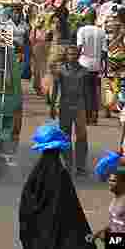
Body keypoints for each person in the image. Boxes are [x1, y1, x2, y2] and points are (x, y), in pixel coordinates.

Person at [19, 124, 94, 249]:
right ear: (59, 149)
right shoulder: (61, 174)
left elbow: (25, 209)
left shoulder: (35, 175)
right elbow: (73, 212)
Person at [52, 45, 92, 175]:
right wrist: (52, 106)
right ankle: (66, 164)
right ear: (66, 56)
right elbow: (55, 89)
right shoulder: (61, 70)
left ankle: (80, 166)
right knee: (65, 136)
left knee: (81, 137)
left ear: (79, 56)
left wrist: (91, 110)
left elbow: (88, 92)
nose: (72, 57)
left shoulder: (85, 71)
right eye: (70, 54)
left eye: (75, 54)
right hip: (64, 105)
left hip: (80, 106)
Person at [77, 17, 106, 125]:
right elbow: (104, 52)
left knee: (86, 92)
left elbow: (79, 47)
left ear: (85, 20)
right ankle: (94, 116)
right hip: (96, 66)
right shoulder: (101, 31)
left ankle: (88, 117)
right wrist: (103, 66)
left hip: (84, 64)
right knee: (95, 92)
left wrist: (74, 61)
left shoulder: (82, 30)